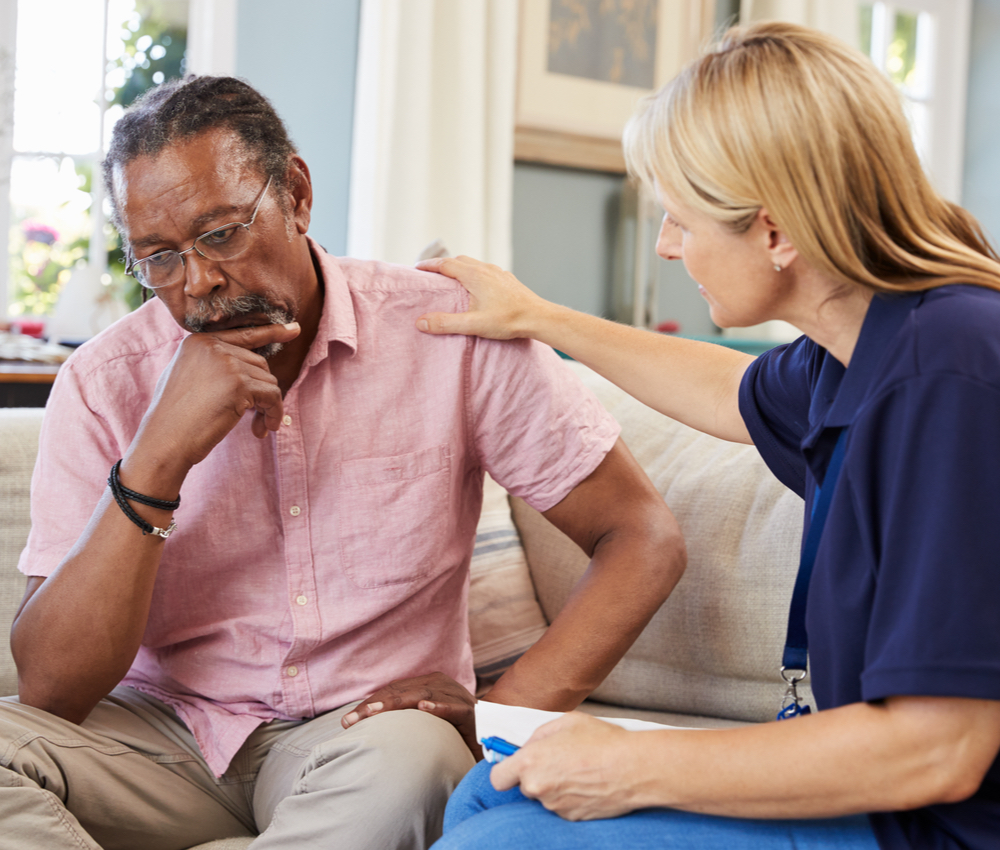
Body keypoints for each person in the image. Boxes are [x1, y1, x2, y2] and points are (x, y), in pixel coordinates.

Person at [1, 76, 685, 850]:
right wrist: (157, 459)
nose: (198, 286)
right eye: (159, 258)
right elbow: (51, 692)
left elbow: (641, 537)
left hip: (365, 737)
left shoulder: (448, 333)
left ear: (295, 192)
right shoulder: (102, 383)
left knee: (415, 766)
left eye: (221, 234)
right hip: (162, 738)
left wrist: (503, 710)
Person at [415, 22, 1000, 850]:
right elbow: (732, 390)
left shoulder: (952, 376)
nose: (665, 246)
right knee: (486, 792)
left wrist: (628, 764)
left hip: (935, 824)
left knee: (498, 840)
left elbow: (938, 749)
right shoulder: (862, 344)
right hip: (880, 798)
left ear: (774, 232)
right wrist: (537, 317)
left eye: (681, 220)